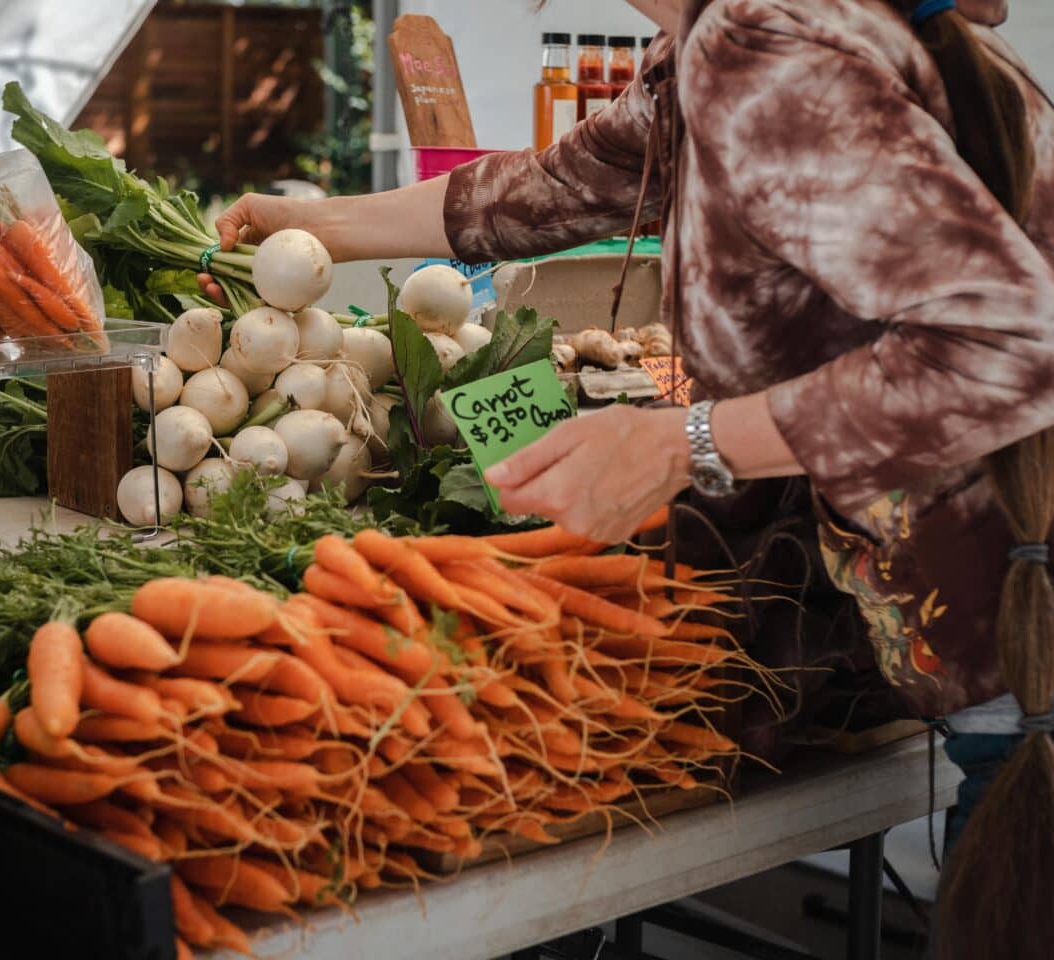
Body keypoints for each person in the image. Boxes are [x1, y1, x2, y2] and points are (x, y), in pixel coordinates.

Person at [204, 1, 1054, 956]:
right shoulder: (714, 47)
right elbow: (539, 192)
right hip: (991, 629)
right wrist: (304, 224)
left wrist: (680, 443)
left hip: (1016, 623)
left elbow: (1008, 341)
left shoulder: (760, 41)